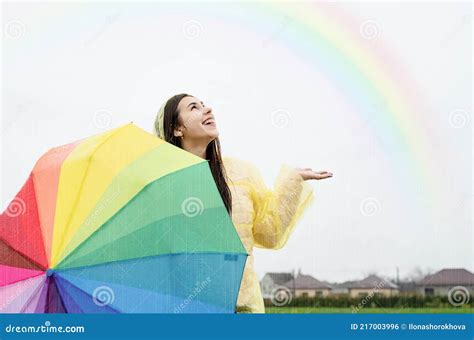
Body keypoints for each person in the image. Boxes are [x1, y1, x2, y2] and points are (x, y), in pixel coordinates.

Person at [153, 93, 333, 313]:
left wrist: (293, 182)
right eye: (194, 108)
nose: (207, 109)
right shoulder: (163, 187)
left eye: (204, 105)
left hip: (243, 308)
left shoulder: (240, 173)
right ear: (177, 129)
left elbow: (269, 233)